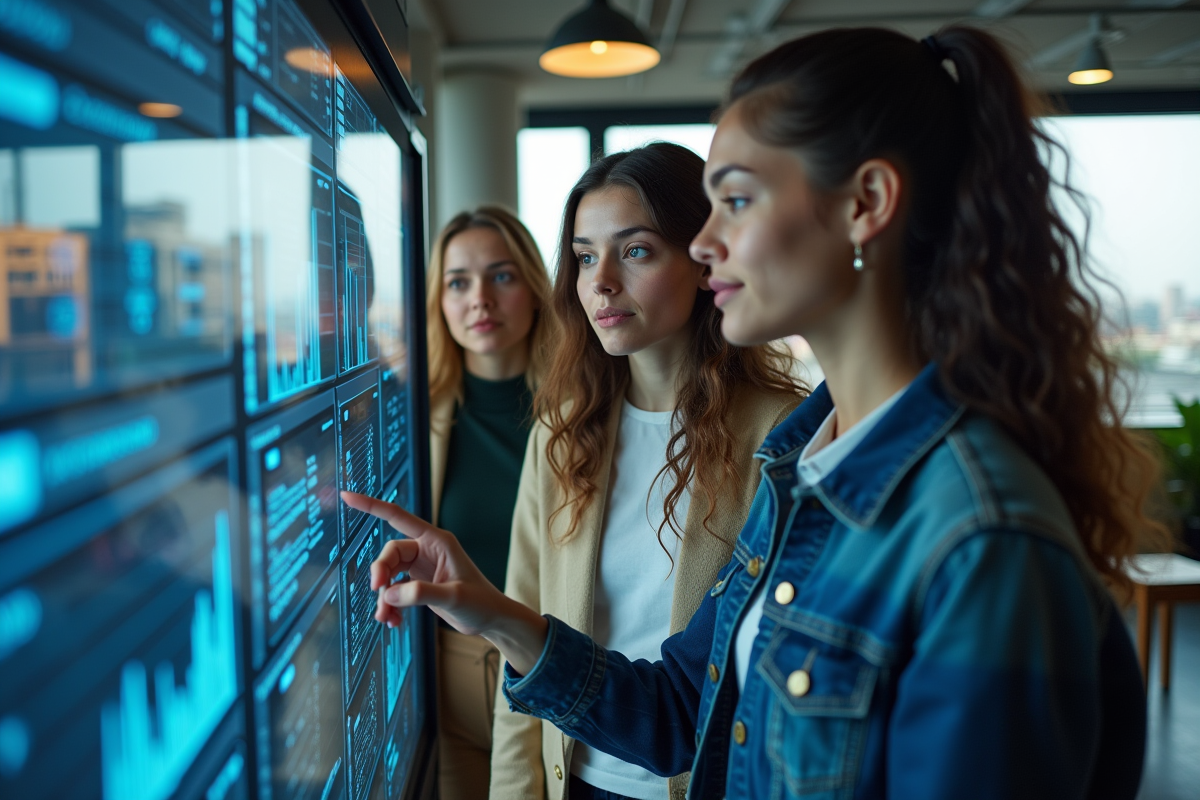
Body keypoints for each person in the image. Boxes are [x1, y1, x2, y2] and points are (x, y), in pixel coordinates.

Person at [349, 25, 1161, 800]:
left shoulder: (981, 536)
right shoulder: (802, 465)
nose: (704, 243)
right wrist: (485, 608)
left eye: (734, 200)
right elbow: (681, 712)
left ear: (866, 203)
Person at [489, 143, 804, 800]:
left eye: (634, 251)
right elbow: (517, 631)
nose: (601, 279)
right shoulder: (562, 432)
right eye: (583, 257)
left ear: (702, 260)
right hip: (570, 776)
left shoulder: (780, 435)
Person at [423, 206, 552, 800]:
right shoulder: (413, 418)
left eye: (501, 276)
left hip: (552, 666)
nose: (480, 299)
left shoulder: (587, 412)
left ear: (532, 287)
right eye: (459, 282)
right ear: (440, 300)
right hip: (446, 688)